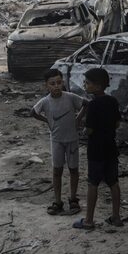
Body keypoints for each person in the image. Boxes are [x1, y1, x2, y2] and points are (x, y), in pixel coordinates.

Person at [31, 69, 87, 215]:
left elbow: (85, 104)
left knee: (73, 170)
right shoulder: (45, 101)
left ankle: (73, 199)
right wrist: (47, 121)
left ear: (63, 82)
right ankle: (57, 202)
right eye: (52, 84)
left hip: (72, 140)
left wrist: (78, 119)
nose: (56, 86)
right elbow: (33, 112)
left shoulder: (70, 97)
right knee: (57, 171)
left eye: (59, 82)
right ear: (46, 86)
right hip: (56, 141)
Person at [73, 68, 122, 230]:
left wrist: (83, 129)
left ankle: (88, 220)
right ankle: (116, 217)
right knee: (113, 182)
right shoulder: (113, 101)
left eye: (87, 83)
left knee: (93, 183)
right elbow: (117, 124)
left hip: (96, 149)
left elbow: (90, 130)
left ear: (98, 85)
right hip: (111, 147)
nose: (85, 85)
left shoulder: (93, 104)